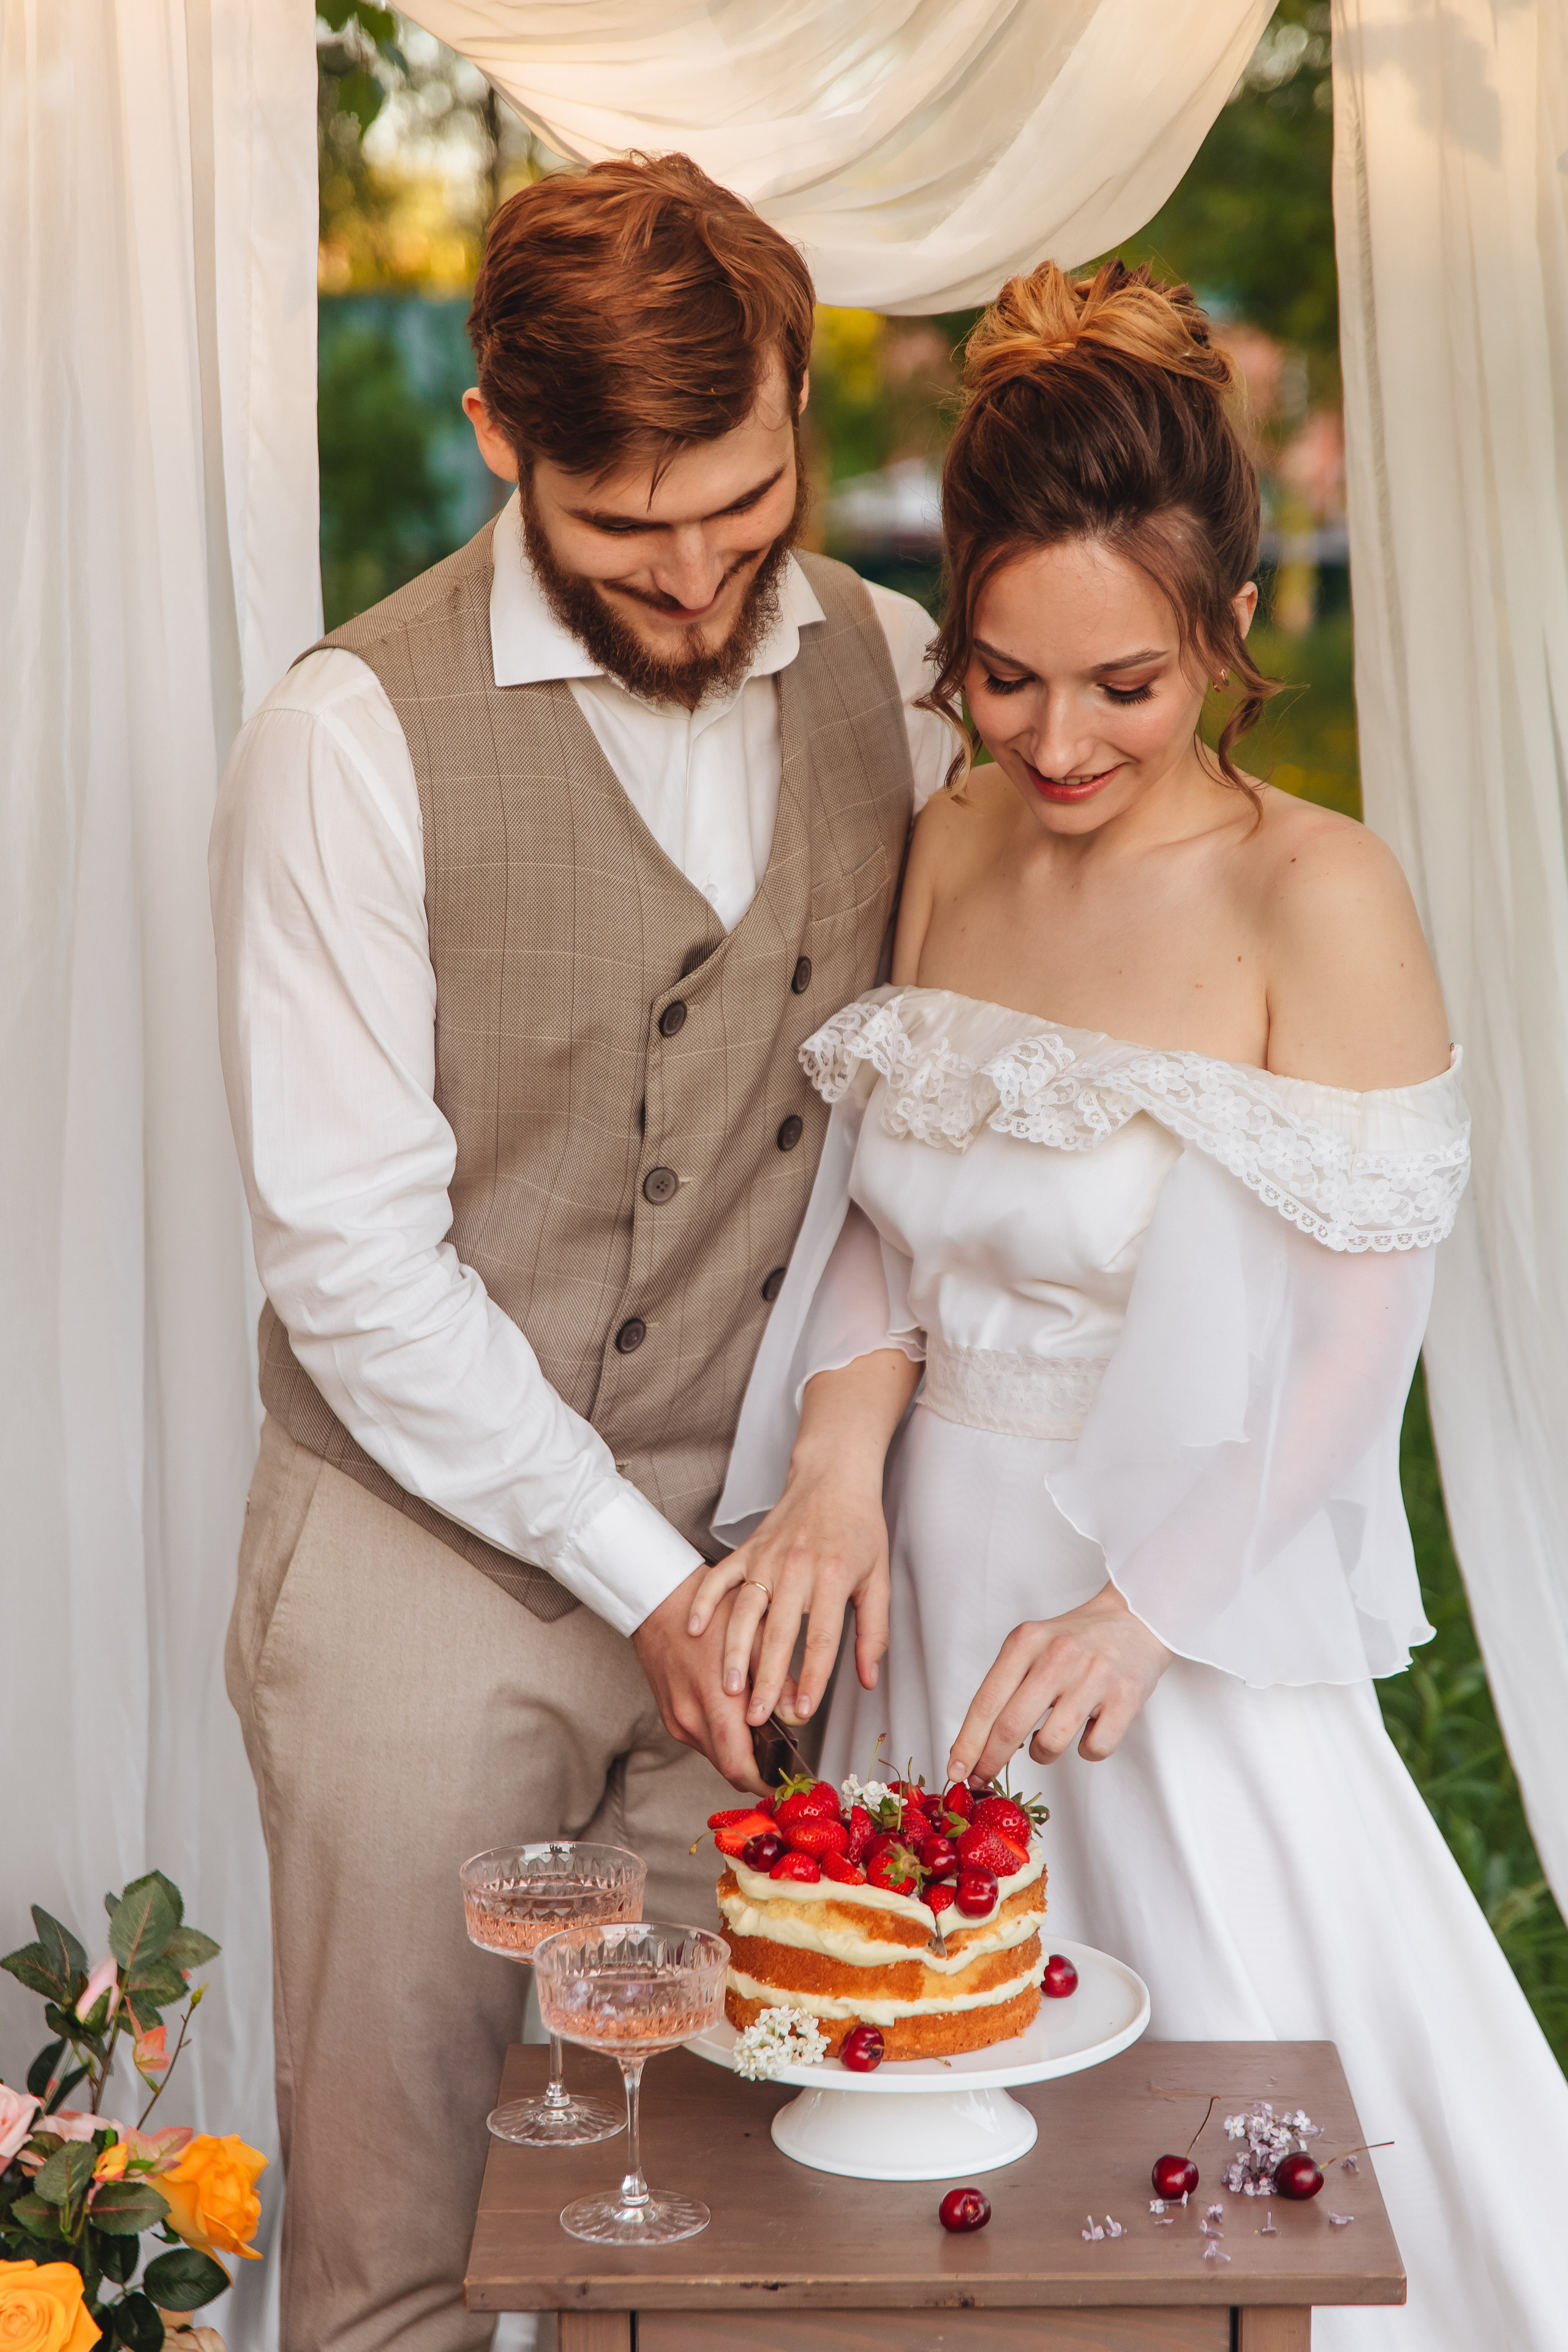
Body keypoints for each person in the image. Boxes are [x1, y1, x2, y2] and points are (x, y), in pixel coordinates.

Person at [697, 259, 1568, 2346]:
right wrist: (830, 1469)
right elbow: (898, 1224)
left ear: (1231, 636)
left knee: (1224, 2151)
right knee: (944, 2146)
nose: (1057, 742)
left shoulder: (1318, 895)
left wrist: (1146, 1614)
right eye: (1004, 679)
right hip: (934, 1591)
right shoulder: (957, 842)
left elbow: (1364, 1344)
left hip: (1172, 1600)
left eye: (1125, 687)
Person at [209, 154, 950, 2352]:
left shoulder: (900, 672)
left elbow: (918, 1130)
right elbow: (349, 1259)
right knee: (403, 2253)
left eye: (745, 503)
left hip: (769, 1583)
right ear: (497, 441)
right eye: (630, 531)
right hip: (421, 1581)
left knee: (732, 2241)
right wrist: (644, 1586)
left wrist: (813, 1485)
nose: (705, 573)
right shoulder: (345, 741)